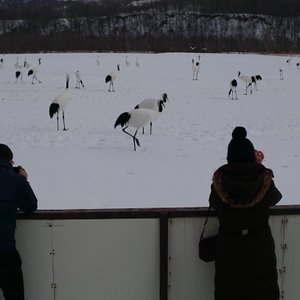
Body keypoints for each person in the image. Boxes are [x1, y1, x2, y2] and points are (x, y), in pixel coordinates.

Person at [208, 127, 282, 300]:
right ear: (251, 156)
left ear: (229, 158)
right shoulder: (264, 181)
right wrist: (258, 167)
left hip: (229, 251)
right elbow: (274, 198)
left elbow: (214, 202)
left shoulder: (219, 182)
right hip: (260, 250)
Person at [0, 143, 38, 300]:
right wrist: (23, 180)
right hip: (5, 254)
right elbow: (30, 206)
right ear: (9, 161)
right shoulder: (15, 181)